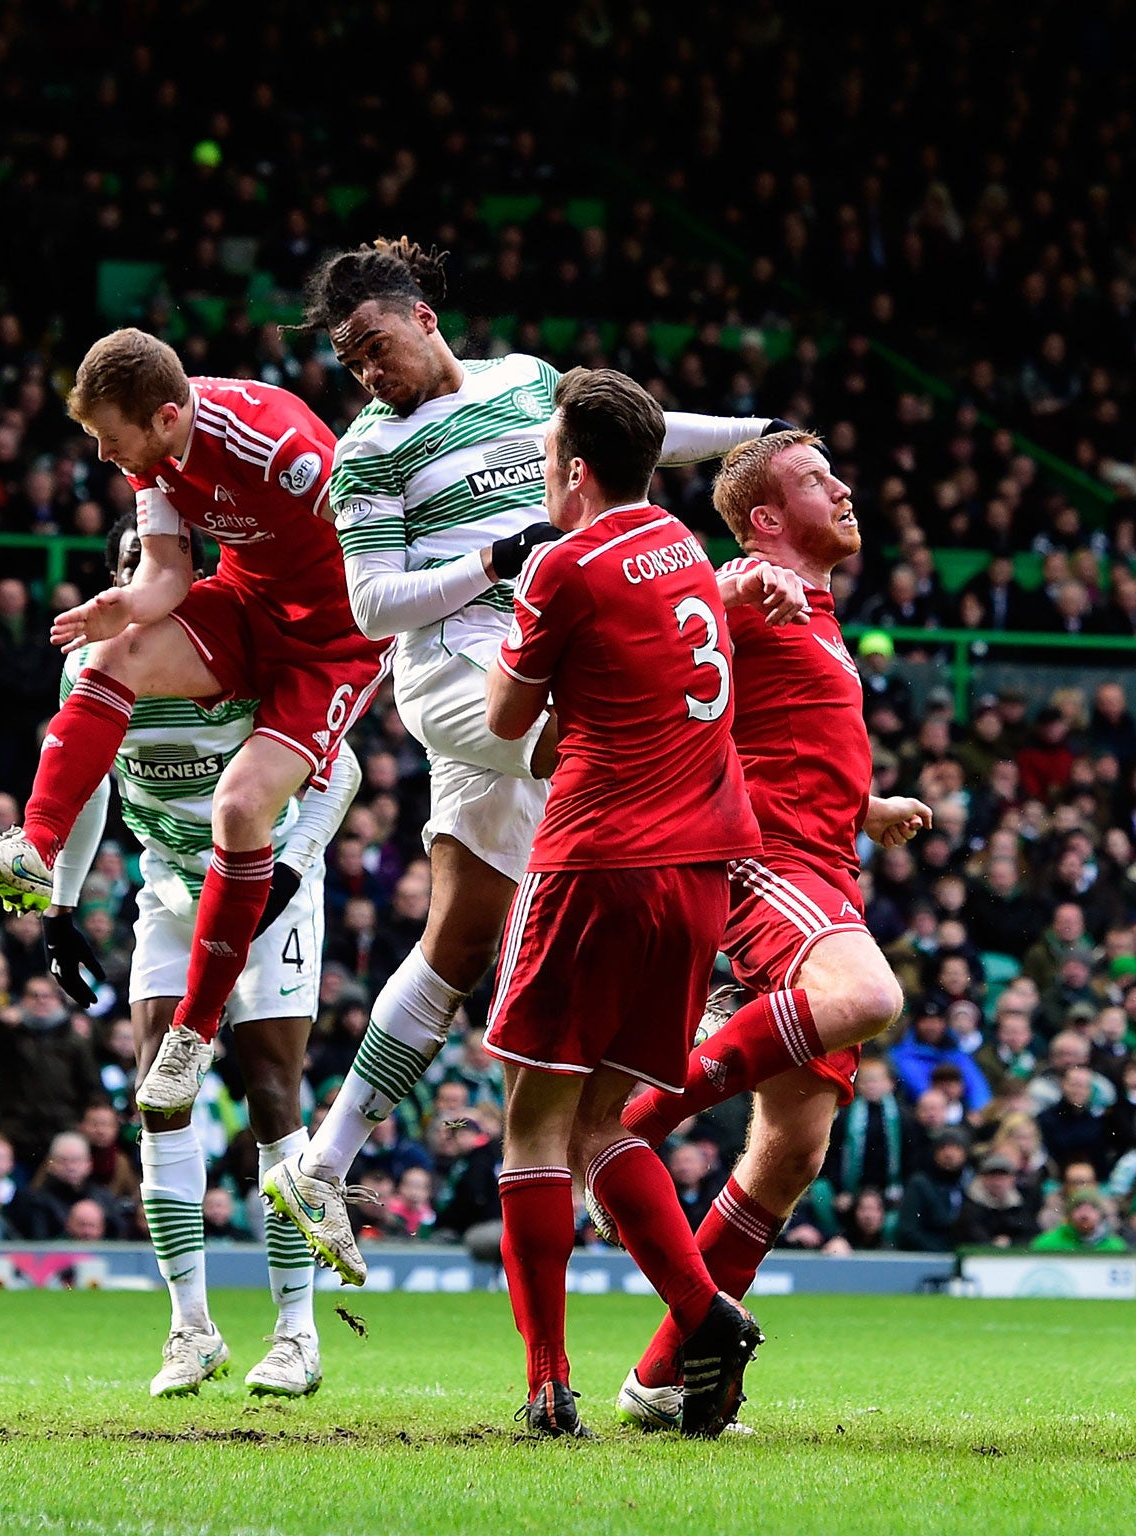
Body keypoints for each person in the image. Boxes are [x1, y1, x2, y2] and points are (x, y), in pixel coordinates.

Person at [263, 238, 787, 1284]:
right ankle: (705, 986)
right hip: (462, 681)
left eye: (374, 345)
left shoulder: (522, 385)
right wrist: (493, 561)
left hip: (533, 660)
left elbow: (635, 439)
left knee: (457, 944)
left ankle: (321, 1162)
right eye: (348, 359)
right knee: (611, 748)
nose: (367, 371)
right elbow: (371, 606)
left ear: (422, 318)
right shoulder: (369, 450)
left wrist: (755, 439)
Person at [0, 330, 388, 1117]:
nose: (100, 455)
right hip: (249, 605)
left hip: (335, 643)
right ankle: (33, 848)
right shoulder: (149, 455)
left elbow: (377, 535)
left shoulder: (277, 447)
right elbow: (164, 574)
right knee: (112, 658)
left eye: (106, 438)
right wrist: (120, 608)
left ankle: (195, 1030)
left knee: (243, 807)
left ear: (161, 415)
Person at [478, 368, 787, 1437]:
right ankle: (704, 1321)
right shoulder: (691, 556)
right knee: (601, 1122)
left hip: (596, 862)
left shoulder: (561, 566)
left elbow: (507, 719)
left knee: (532, 1120)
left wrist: (520, 608)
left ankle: (547, 1386)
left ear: (569, 467)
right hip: (696, 873)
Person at [605, 429, 931, 1432]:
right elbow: (660, 632)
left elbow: (771, 729)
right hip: (765, 861)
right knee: (869, 999)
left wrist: (865, 805)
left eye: (837, 471)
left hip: (823, 856)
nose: (841, 486)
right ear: (761, 518)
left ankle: (663, 1374)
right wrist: (727, 586)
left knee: (792, 1144)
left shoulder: (820, 615)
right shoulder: (741, 584)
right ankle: (623, 1135)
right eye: (812, 479)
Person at [45, 515, 358, 1398]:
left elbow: (341, 769)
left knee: (268, 1091)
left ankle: (297, 1333)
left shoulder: (245, 654)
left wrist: (293, 869)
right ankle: (191, 1329)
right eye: (126, 571)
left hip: (269, 880)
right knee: (156, 1091)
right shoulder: (90, 670)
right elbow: (90, 787)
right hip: (172, 890)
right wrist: (63, 909)